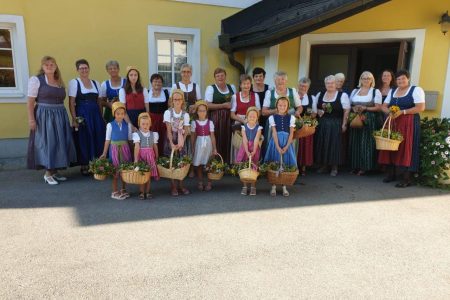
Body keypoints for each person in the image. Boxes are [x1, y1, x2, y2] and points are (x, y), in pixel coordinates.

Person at [27, 56, 77, 184]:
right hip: (44, 115)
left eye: (52, 64)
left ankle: (54, 171)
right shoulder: (36, 80)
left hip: (60, 114)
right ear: (42, 67)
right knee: (48, 143)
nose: (49, 66)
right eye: (46, 64)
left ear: (56, 66)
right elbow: (30, 102)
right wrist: (31, 119)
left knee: (60, 142)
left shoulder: (59, 81)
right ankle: (48, 172)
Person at [378, 69, 425, 187]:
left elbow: (420, 107)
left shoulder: (416, 90)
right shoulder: (393, 91)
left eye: (403, 78)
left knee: (406, 147)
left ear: (408, 79)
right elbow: (384, 106)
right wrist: (389, 112)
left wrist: (402, 112)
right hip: (393, 122)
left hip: (409, 123)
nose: (400, 81)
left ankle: (406, 178)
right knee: (390, 146)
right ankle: (391, 174)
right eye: (398, 79)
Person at [68, 59, 105, 175]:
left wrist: (101, 116)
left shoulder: (96, 83)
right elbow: (71, 102)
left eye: (86, 68)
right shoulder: (74, 83)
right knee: (84, 137)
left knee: (97, 136)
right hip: (82, 113)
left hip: (95, 114)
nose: (84, 70)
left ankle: (96, 163)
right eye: (81, 68)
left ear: (89, 69)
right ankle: (85, 164)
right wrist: (74, 119)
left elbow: (99, 102)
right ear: (77, 70)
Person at [313, 75, 350, 176]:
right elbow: (314, 108)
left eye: (332, 83)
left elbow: (346, 111)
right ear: (325, 84)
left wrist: (344, 124)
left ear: (336, 84)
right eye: (328, 83)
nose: (330, 85)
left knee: (335, 145)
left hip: (336, 123)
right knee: (323, 144)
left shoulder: (342, 95)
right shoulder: (320, 94)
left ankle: (334, 167)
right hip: (323, 123)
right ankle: (324, 165)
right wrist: (318, 111)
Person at [348, 71, 382, 175]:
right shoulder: (354, 91)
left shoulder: (375, 92)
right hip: (356, 118)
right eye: (364, 78)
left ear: (372, 80)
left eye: (368, 78)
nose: (366, 80)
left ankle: (365, 167)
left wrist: (365, 108)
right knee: (355, 142)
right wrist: (355, 108)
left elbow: (378, 107)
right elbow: (349, 105)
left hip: (369, 119)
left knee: (366, 143)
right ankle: (355, 166)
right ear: (360, 80)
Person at [262, 71, 302, 156]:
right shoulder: (270, 92)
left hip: (290, 122)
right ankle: (271, 164)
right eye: (278, 79)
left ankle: (289, 166)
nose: (280, 81)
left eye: (283, 79)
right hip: (274, 122)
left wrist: (297, 112)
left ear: (286, 81)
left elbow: (299, 107)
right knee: (272, 143)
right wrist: (278, 110)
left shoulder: (293, 91)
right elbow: (264, 112)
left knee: (290, 143)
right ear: (274, 81)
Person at [264, 97, 297, 197]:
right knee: (275, 161)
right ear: (277, 106)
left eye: (284, 105)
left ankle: (284, 187)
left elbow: (291, 134)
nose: (282, 107)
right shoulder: (272, 118)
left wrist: (287, 146)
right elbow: (274, 132)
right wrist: (277, 146)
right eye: (280, 105)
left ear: (287, 107)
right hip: (276, 142)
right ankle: (273, 186)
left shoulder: (291, 118)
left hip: (287, 142)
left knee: (285, 162)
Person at [100, 102, 132, 200]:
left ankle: (123, 189)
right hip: (114, 150)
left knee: (124, 170)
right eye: (118, 113)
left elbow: (130, 140)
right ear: (114, 113)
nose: (120, 116)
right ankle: (114, 191)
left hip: (125, 149)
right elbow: (107, 140)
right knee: (115, 170)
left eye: (122, 113)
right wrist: (104, 153)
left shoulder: (128, 125)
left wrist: (134, 152)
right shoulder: (110, 125)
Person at [204, 67, 236, 163]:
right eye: (218, 76)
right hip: (215, 118)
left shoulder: (232, 87)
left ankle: (226, 162)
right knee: (216, 138)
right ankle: (215, 162)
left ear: (225, 76)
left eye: (222, 75)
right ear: (215, 78)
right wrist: (223, 105)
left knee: (227, 138)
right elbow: (207, 105)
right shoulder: (211, 88)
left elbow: (235, 102)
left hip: (229, 118)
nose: (220, 77)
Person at [164, 89, 191, 196]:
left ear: (182, 101)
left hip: (181, 139)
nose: (177, 101)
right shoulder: (168, 112)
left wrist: (182, 143)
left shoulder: (185, 114)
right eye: (175, 99)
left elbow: (186, 130)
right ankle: (173, 186)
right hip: (171, 138)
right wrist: (171, 142)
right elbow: (168, 130)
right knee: (172, 162)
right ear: (172, 101)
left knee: (181, 163)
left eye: (179, 99)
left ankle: (181, 185)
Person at [230, 74, 261, 161]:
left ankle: (251, 165)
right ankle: (238, 164)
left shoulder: (255, 96)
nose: (246, 86)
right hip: (239, 122)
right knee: (239, 144)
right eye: (244, 84)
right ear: (240, 85)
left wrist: (253, 120)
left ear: (251, 84)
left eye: (248, 83)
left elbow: (259, 111)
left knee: (252, 143)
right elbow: (232, 114)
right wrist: (243, 121)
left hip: (253, 122)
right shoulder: (235, 96)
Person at [190, 100, 217, 192]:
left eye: (204, 110)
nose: (202, 112)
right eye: (200, 111)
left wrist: (214, 148)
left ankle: (209, 182)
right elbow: (193, 136)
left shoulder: (210, 122)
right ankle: (200, 182)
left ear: (206, 111)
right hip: (199, 143)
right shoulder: (194, 123)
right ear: (197, 112)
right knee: (200, 164)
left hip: (208, 143)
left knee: (209, 163)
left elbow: (212, 136)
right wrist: (193, 147)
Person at [235, 107, 262, 196]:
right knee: (245, 166)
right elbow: (245, 140)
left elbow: (256, 140)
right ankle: (245, 186)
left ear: (257, 118)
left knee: (254, 166)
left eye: (254, 117)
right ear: (247, 117)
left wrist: (254, 151)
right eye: (250, 116)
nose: (252, 118)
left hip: (254, 148)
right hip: (245, 148)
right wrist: (246, 151)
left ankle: (253, 186)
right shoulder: (244, 127)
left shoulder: (258, 128)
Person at [133, 112, 159, 200]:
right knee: (142, 174)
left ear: (150, 124)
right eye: (143, 124)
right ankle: (141, 192)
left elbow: (155, 146)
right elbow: (136, 147)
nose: (145, 126)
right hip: (142, 157)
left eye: (147, 124)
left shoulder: (153, 134)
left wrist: (157, 156)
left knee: (148, 175)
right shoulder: (137, 134)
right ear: (139, 124)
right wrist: (136, 159)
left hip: (150, 157)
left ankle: (147, 192)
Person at [296, 77, 315, 176]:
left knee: (305, 147)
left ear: (308, 87)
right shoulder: (293, 96)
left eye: (305, 86)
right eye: (301, 85)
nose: (303, 87)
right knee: (295, 145)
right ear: (298, 85)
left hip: (306, 125)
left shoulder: (312, 98)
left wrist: (312, 114)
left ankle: (303, 167)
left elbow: (314, 113)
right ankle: (294, 165)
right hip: (295, 124)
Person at [148, 73, 170, 156]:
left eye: (159, 82)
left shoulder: (166, 93)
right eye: (155, 81)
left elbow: (169, 107)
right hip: (151, 120)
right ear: (151, 82)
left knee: (163, 138)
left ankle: (162, 157)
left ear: (162, 83)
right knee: (152, 138)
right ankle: (151, 156)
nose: (157, 83)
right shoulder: (147, 92)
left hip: (163, 120)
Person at [251, 67, 269, 136]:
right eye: (256, 76)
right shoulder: (249, 88)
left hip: (264, 116)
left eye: (260, 76)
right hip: (252, 116)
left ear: (264, 77)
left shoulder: (268, 88)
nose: (258, 78)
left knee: (264, 136)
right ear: (253, 78)